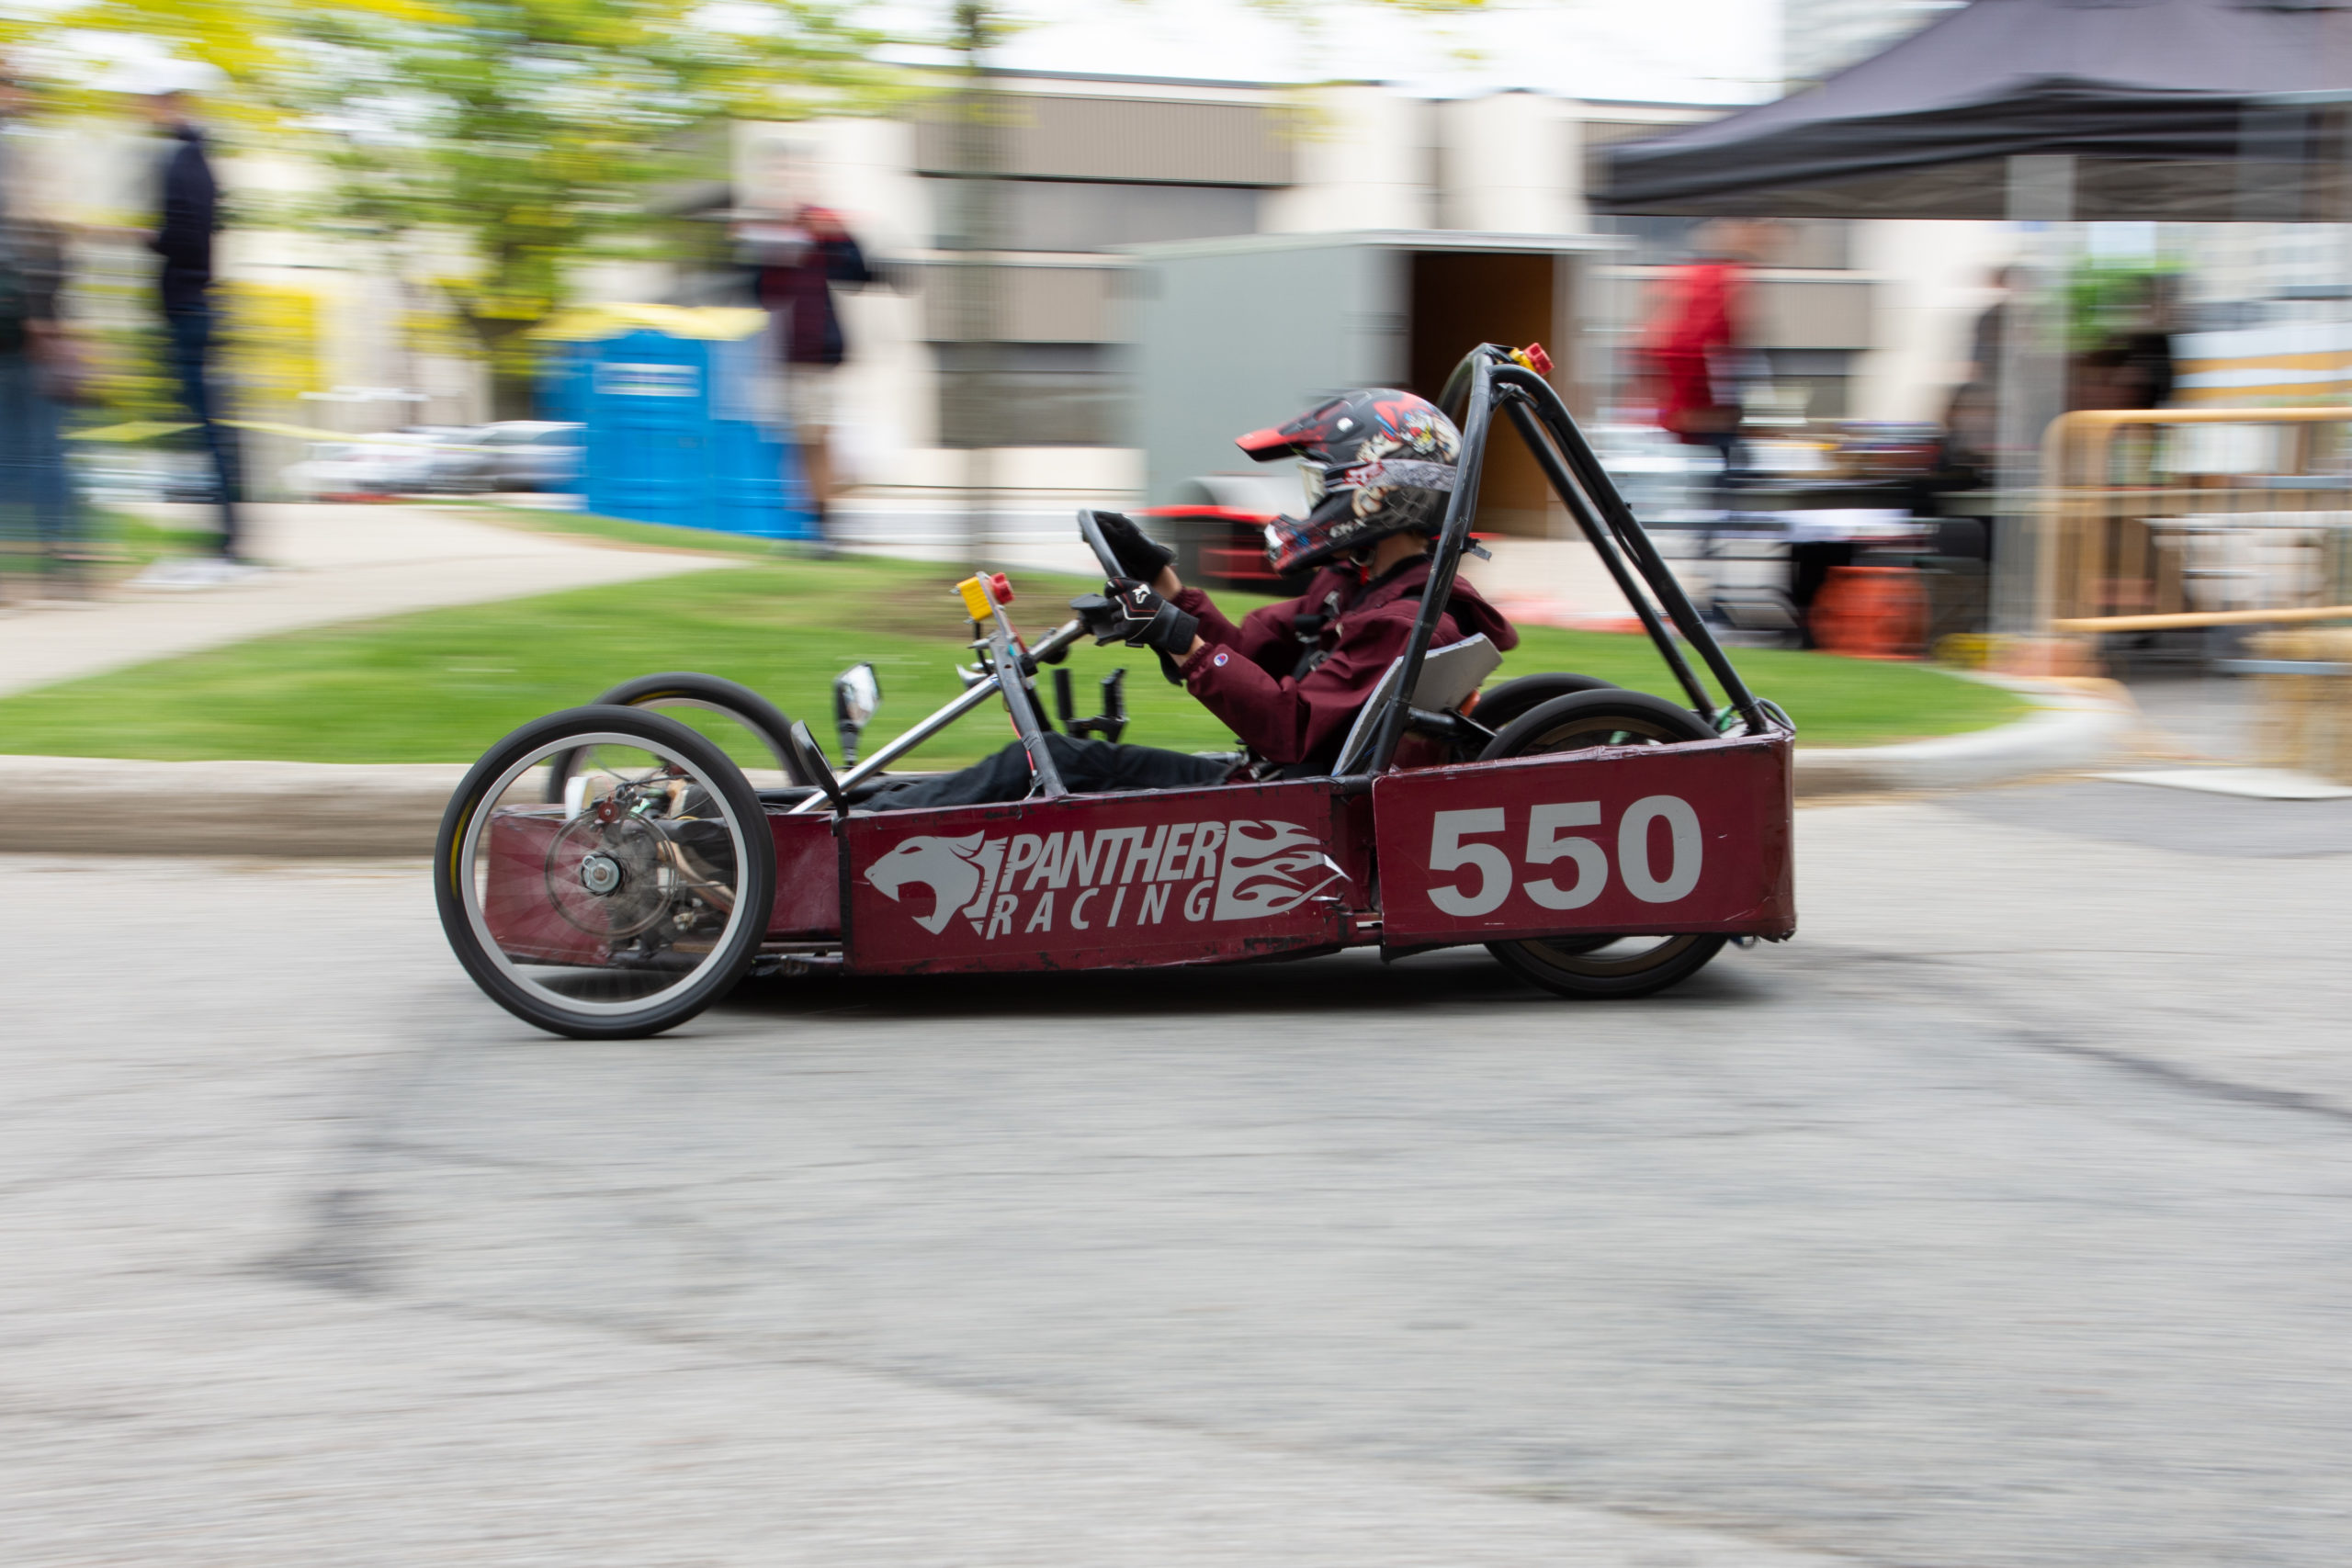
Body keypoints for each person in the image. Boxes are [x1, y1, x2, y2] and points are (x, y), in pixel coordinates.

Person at [862, 389, 1519, 809]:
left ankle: (852, 831)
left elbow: (1287, 728)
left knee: (1051, 759)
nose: (1314, 502)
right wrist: (1162, 584)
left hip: (1277, 809)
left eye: (1326, 486)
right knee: (1047, 758)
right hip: (1268, 789)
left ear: (1382, 491)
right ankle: (870, 808)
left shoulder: (1404, 621)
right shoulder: (1354, 587)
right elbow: (1244, 654)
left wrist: (1172, 632)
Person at [142, 76, 247, 576]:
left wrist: (146, 237)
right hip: (198, 303)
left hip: (187, 304)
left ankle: (227, 539)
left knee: (204, 426)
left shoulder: (183, 161)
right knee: (206, 425)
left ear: (172, 104)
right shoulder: (202, 160)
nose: (145, 112)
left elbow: (184, 237)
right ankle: (224, 535)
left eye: (151, 103)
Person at [742, 196, 871, 536]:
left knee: (817, 439)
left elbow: (861, 274)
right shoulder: (780, 255)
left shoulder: (829, 251)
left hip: (820, 359)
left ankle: (824, 520)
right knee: (805, 441)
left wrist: (841, 234)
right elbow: (761, 294)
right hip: (789, 359)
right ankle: (818, 517)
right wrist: (770, 254)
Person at [0, 69, 80, 602]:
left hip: (25, 327)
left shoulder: (24, 153)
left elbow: (46, 243)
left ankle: (59, 559)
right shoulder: (26, 151)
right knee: (32, 448)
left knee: (37, 447)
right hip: (27, 323)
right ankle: (56, 560)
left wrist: (39, 316)